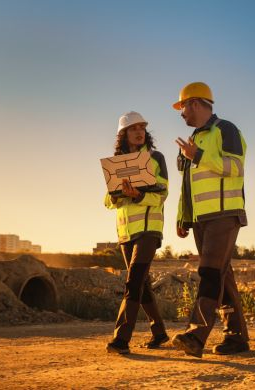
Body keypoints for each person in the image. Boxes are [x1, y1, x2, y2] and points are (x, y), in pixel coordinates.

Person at [171, 82, 249, 358]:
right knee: (223, 277)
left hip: (224, 214)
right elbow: (188, 186)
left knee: (210, 273)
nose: (181, 114)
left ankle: (195, 335)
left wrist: (199, 156)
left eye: (183, 107)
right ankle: (236, 337)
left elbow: (236, 168)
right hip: (201, 218)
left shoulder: (225, 130)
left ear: (194, 103)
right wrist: (183, 217)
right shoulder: (193, 141)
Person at [104, 111, 170, 355]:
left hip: (149, 229)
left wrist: (138, 195)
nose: (139, 131)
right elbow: (107, 201)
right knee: (142, 285)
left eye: (142, 127)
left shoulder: (156, 158)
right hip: (126, 232)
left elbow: (162, 194)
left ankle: (121, 339)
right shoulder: (115, 163)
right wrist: (115, 195)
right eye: (134, 128)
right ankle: (160, 333)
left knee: (133, 282)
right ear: (124, 134)